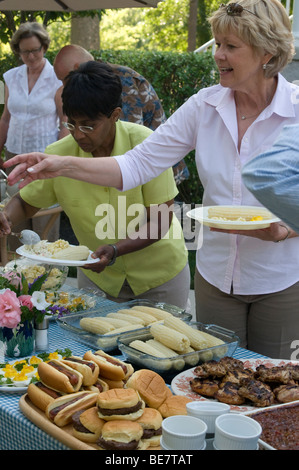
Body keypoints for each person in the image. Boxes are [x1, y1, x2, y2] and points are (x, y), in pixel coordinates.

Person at [4, 0, 299, 359]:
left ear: (268, 51)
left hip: (281, 278)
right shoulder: (203, 107)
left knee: (279, 387)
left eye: (230, 46)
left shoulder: (295, 112)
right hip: (215, 277)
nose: (218, 55)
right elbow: (135, 165)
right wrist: (60, 163)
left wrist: (286, 229)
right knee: (219, 378)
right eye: (217, 43)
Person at [1, 61, 190, 309]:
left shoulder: (145, 145)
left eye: (88, 125)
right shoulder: (58, 155)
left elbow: (160, 220)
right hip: (98, 279)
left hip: (159, 277)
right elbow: (26, 203)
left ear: (115, 115)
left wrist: (115, 249)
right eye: (71, 124)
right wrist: (6, 217)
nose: (79, 134)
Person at [53, 44, 189, 185]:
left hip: (155, 171)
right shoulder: (103, 78)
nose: (65, 86)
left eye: (65, 79)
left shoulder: (120, 81)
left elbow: (128, 142)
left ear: (77, 69)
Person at [0, 22, 68, 244]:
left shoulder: (56, 79)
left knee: (43, 226)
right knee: (12, 222)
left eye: (35, 50)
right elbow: (6, 118)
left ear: (44, 47)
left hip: (43, 159)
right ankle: (15, 273)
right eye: (25, 51)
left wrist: (59, 157)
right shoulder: (11, 77)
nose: (31, 56)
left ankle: (48, 272)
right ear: (18, 52)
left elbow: (64, 121)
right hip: (13, 157)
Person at [242, 123, 299, 234]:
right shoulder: (202, 108)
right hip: (211, 247)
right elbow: (199, 201)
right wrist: (196, 240)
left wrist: (286, 232)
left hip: (285, 249)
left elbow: (262, 175)